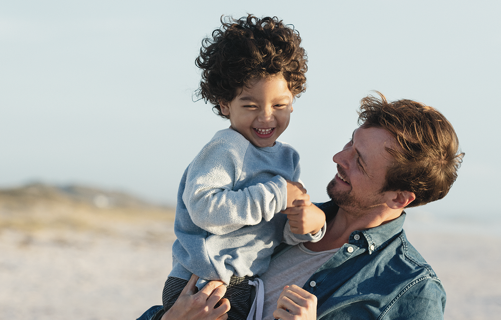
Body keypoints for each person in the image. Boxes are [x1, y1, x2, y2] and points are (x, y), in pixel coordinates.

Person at [142, 92, 463, 320]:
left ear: (397, 198)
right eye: (351, 142)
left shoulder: (411, 289)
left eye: (359, 162)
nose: (339, 158)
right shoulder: (277, 218)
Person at [160, 15, 327, 320]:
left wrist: (308, 225)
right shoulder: (225, 149)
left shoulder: (288, 160)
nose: (266, 118)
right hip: (201, 281)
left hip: (245, 284)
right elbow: (204, 209)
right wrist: (277, 194)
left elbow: (277, 233)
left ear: (293, 100)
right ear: (225, 104)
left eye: (279, 105)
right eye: (250, 106)